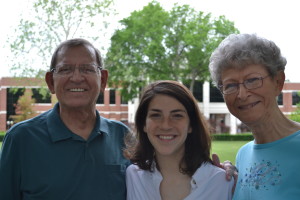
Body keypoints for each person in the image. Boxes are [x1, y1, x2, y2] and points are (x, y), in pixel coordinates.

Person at [0, 38, 130, 200]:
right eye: (65, 69)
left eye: (87, 69)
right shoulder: (21, 138)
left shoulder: (123, 136)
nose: (76, 78)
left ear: (102, 80)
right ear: (50, 82)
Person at [209, 33, 300, 199]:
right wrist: (224, 183)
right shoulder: (243, 155)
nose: (242, 94)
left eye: (252, 80)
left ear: (278, 82)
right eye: (231, 85)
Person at [125, 80, 234, 200]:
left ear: (191, 125)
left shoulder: (220, 182)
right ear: (144, 124)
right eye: (156, 115)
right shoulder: (133, 176)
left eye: (177, 115)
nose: (165, 125)